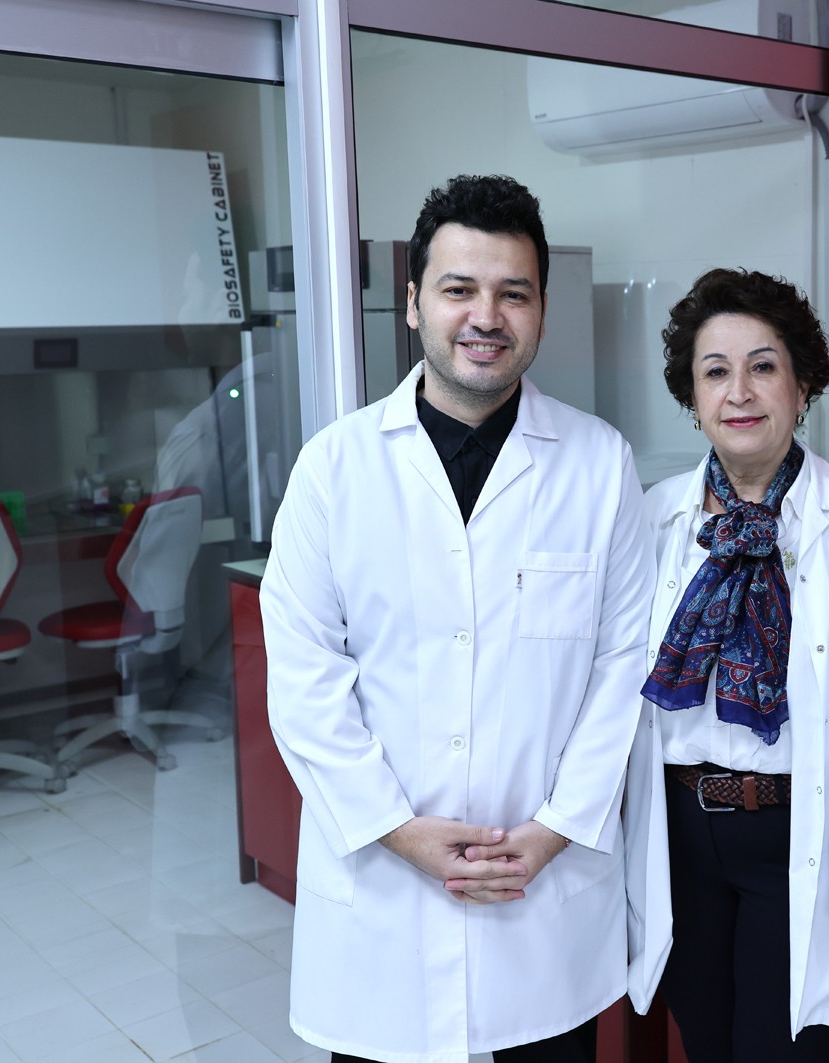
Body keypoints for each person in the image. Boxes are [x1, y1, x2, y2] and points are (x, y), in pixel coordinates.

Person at [261, 173, 652, 1063]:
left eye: (513, 292)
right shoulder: (334, 469)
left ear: (541, 310)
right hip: (382, 894)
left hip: (542, 891)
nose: (486, 316)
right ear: (413, 304)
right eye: (458, 289)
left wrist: (556, 827)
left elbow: (624, 667)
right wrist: (398, 831)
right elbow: (306, 678)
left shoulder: (599, 465)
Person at [625, 268, 829, 1062]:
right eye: (715, 371)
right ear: (693, 397)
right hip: (679, 837)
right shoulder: (654, 517)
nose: (738, 391)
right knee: (705, 1043)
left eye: (763, 366)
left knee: (790, 1046)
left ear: (802, 387)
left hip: (797, 835)